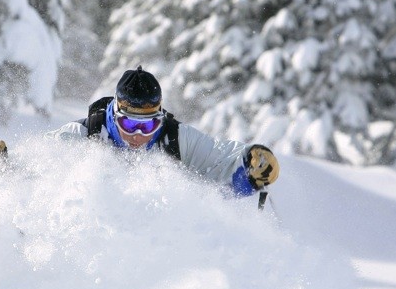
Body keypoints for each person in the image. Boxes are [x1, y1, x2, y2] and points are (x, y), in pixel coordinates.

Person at [40, 66, 279, 197]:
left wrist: (250, 162)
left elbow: (217, 157)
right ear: (115, 115)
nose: (139, 136)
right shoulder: (84, 135)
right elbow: (39, 163)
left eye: (148, 125)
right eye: (130, 125)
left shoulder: (174, 138)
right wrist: (5, 163)